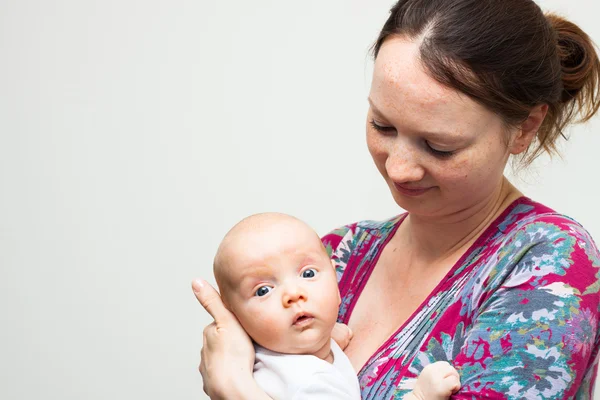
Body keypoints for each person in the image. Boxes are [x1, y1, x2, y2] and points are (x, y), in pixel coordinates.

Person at [193, 0, 600, 398]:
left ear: (525, 127)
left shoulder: (550, 263)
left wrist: (238, 391)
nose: (399, 169)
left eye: (439, 146)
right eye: (382, 125)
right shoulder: (333, 257)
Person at [209, 212, 461, 400]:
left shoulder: (286, 357)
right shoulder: (311, 385)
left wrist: (328, 341)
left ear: (335, 280)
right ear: (234, 316)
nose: (294, 294)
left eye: (308, 274)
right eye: (263, 290)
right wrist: (419, 397)